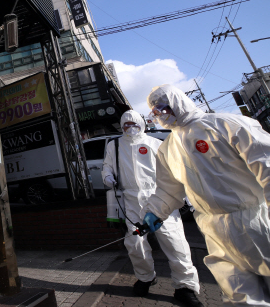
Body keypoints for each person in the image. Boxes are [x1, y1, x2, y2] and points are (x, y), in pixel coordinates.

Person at [142, 84, 270, 306]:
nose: (161, 115)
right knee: (238, 293)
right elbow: (168, 188)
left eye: (163, 109)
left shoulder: (225, 124)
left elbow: (266, 164)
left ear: (177, 103)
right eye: (155, 112)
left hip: (255, 221)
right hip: (214, 229)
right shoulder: (168, 148)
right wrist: (155, 212)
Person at [103, 109, 202, 306]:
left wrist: (188, 197)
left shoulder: (156, 144)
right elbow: (107, 167)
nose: (130, 128)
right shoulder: (114, 146)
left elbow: (176, 171)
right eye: (126, 125)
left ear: (142, 124)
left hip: (161, 199)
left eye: (134, 124)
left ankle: (185, 288)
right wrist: (107, 177)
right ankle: (146, 277)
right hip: (132, 202)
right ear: (121, 127)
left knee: (175, 244)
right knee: (135, 245)